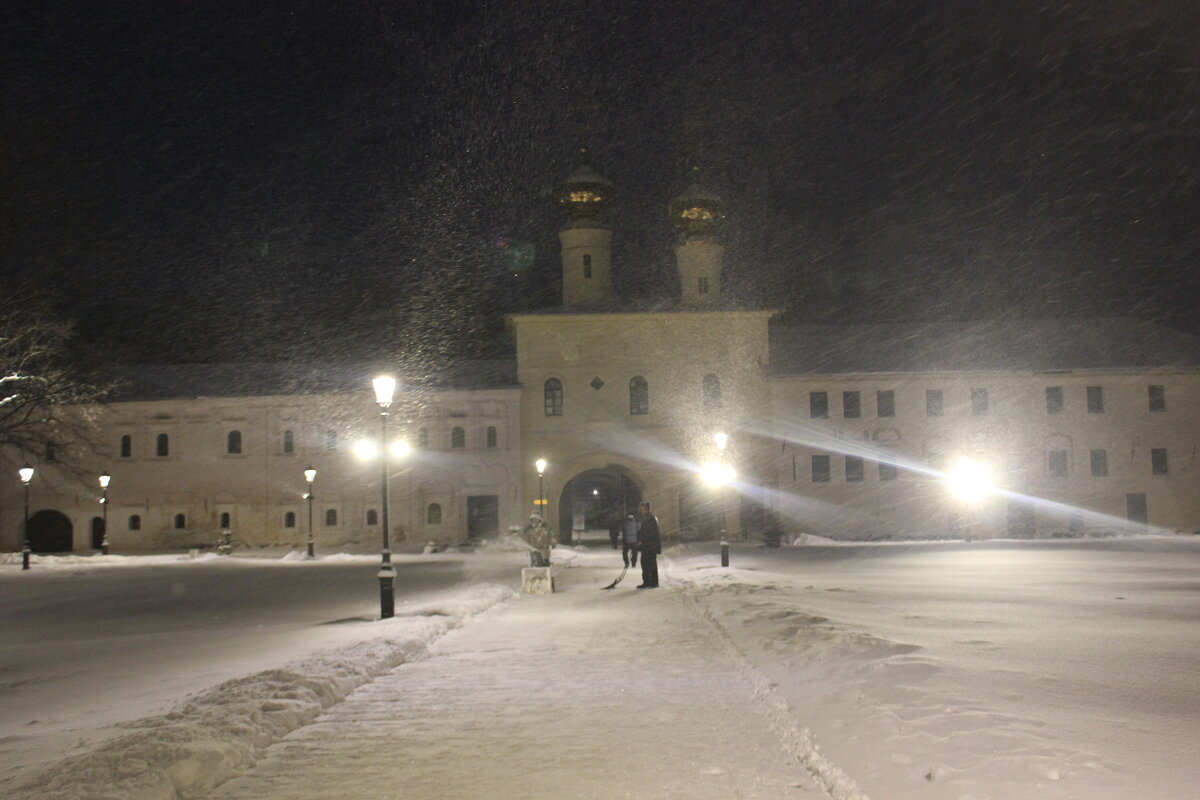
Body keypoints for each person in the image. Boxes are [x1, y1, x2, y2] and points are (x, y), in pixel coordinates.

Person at [635, 500, 660, 588]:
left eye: (643, 509)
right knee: (647, 564)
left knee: (648, 564)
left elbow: (651, 533)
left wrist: (643, 540)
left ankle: (651, 582)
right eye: (641, 509)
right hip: (647, 546)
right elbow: (642, 531)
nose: (641, 511)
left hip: (650, 546)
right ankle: (650, 582)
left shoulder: (650, 519)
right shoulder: (644, 518)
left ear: (647, 509)